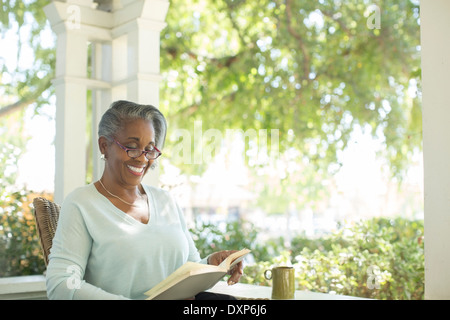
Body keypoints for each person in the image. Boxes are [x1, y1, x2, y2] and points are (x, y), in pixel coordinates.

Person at [46, 100, 243, 299]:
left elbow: (188, 270)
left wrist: (213, 263)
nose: (142, 158)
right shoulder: (82, 204)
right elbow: (62, 284)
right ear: (104, 145)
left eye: (149, 149)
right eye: (132, 147)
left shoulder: (165, 201)